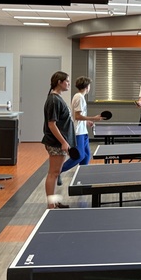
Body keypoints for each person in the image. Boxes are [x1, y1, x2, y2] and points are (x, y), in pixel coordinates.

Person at [59, 76, 103, 178]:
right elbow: (77, 116)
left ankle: (82, 177)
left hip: (83, 131)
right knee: (79, 156)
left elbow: (77, 116)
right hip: (78, 132)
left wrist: (87, 121)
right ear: (87, 87)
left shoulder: (79, 97)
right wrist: (94, 118)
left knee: (86, 156)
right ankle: (58, 172)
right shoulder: (79, 97)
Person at [43, 71, 75, 209]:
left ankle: (54, 201)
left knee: (56, 173)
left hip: (59, 142)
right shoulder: (54, 100)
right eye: (67, 81)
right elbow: (51, 124)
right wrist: (63, 142)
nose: (68, 83)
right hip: (56, 142)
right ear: (59, 82)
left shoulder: (57, 98)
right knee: (53, 173)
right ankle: (51, 204)